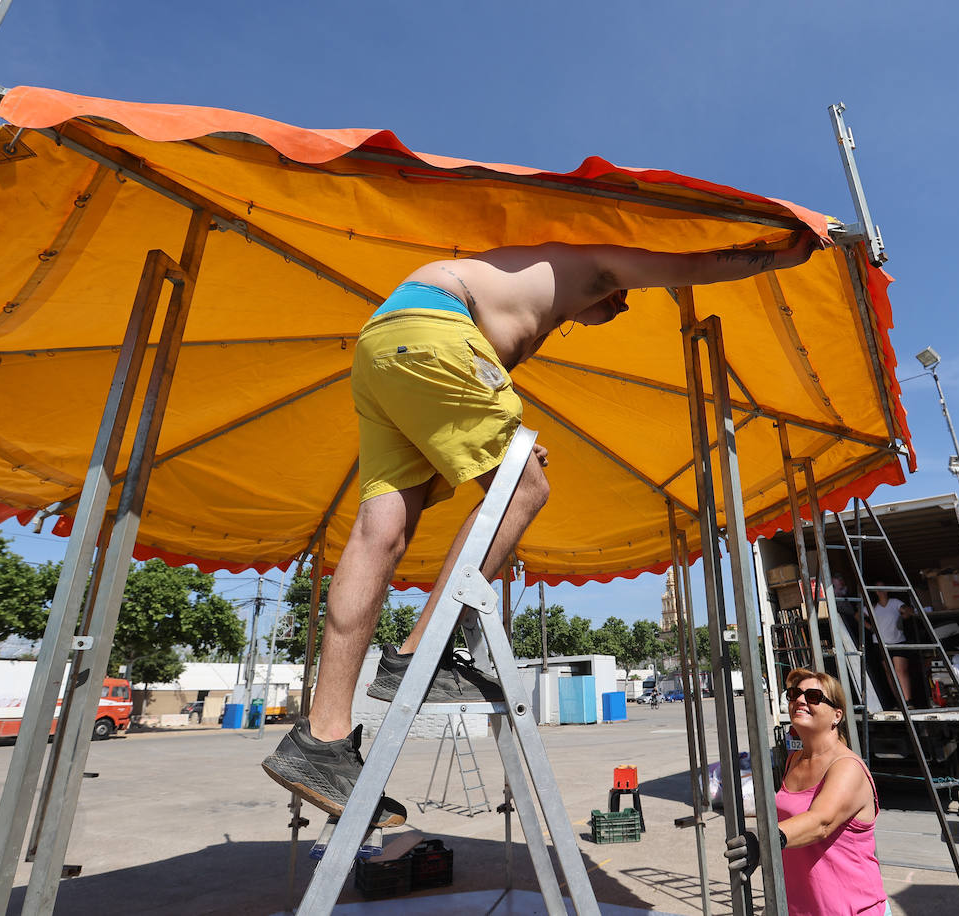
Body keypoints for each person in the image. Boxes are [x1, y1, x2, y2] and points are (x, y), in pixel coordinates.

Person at [261, 234, 827, 826]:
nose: (622, 306)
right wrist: (793, 250)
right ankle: (417, 659)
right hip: (435, 334)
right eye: (622, 295)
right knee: (525, 490)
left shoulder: (523, 292)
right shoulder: (589, 264)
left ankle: (319, 743)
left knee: (379, 533)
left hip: (385, 347)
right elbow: (695, 259)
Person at [724, 668, 889, 916]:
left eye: (813, 696)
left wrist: (765, 840)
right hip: (801, 908)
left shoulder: (847, 766)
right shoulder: (795, 761)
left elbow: (820, 821)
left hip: (851, 908)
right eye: (794, 694)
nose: (799, 700)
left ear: (837, 715)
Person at [868, 584, 914, 707]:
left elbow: (908, 611)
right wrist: (870, 628)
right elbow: (857, 615)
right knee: (890, 673)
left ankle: (908, 701)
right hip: (881, 643)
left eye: (883, 588)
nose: (881, 591)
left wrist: (905, 615)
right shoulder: (873, 606)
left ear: (887, 590)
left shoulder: (895, 602)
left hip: (897, 641)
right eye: (878, 589)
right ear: (875, 592)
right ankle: (900, 702)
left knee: (900, 671)